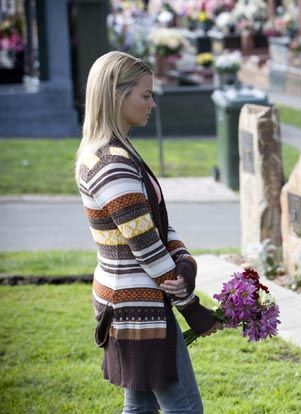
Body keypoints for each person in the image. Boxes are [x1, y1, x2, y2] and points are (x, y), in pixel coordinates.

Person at [75, 51, 220, 413]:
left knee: (140, 406)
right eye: (145, 94)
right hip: (138, 307)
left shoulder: (113, 153)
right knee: (185, 408)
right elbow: (146, 247)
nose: (153, 103)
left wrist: (184, 257)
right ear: (116, 94)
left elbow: (157, 224)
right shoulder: (112, 164)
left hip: (129, 301)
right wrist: (192, 307)